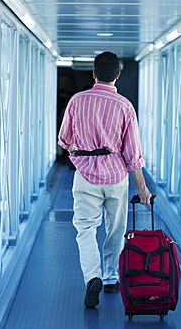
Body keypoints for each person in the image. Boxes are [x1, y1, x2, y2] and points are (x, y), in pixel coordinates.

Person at [58, 51, 152, 308]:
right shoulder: (125, 106)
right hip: (115, 177)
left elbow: (64, 140)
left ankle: (93, 277)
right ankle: (111, 277)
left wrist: (82, 154)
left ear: (94, 73)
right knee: (115, 229)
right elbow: (133, 155)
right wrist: (142, 189)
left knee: (86, 229)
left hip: (85, 176)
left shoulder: (77, 101)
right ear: (118, 75)